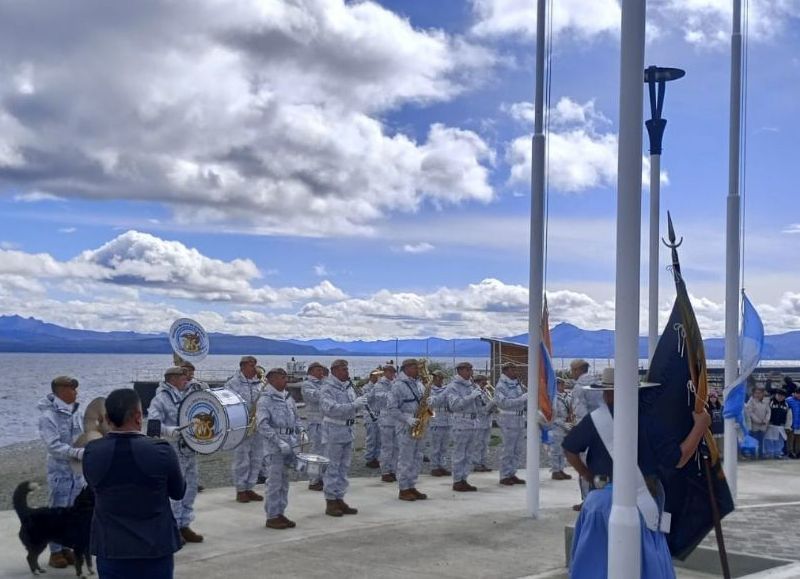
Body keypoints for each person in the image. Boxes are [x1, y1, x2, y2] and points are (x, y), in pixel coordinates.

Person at [563, 368, 707, 579]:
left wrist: (587, 475)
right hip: (641, 501)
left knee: (592, 563)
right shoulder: (650, 421)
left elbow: (569, 449)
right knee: (644, 563)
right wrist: (701, 426)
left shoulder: (595, 419)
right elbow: (680, 459)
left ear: (607, 393)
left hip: (598, 502)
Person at [83, 388, 185, 579]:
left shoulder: (92, 452)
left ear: (106, 418)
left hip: (111, 547)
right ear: (138, 416)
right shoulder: (162, 451)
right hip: (155, 547)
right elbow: (178, 492)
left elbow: (94, 486)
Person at [147, 366, 204, 543]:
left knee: (190, 488)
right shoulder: (160, 399)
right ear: (172, 379)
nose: (186, 379)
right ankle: (172, 528)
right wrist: (169, 431)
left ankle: (184, 525)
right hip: (172, 452)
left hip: (189, 449)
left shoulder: (187, 396)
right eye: (182, 377)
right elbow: (152, 427)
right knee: (174, 493)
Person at [38, 375, 86, 569]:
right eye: (72, 389)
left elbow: (83, 434)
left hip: (76, 471)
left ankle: (66, 546)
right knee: (57, 511)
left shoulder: (75, 412)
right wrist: (75, 452)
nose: (76, 392)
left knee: (72, 512)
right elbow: (53, 446)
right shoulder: (48, 416)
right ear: (61, 391)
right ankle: (55, 552)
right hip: (60, 472)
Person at [320, 359, 368, 516]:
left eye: (347, 369)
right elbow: (331, 409)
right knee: (332, 467)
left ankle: (339, 497)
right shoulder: (327, 388)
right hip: (334, 430)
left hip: (347, 430)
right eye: (343, 369)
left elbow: (351, 408)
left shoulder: (347, 386)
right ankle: (330, 501)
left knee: (344, 467)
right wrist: (354, 405)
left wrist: (358, 405)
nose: (346, 372)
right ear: (334, 371)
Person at [256, 368, 300, 530]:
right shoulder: (266, 399)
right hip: (274, 447)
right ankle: (272, 516)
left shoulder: (287, 397)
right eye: (282, 378)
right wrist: (278, 441)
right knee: (274, 482)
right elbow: (262, 425)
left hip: (290, 442)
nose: (285, 380)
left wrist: (300, 433)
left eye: (285, 377)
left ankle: (280, 512)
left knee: (284, 481)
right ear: (272, 380)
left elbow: (296, 418)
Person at [388, 359, 429, 501]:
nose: (417, 369)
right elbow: (392, 409)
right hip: (405, 426)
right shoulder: (397, 386)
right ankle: (403, 489)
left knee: (417, 457)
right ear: (405, 368)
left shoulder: (418, 384)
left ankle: (412, 485)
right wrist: (407, 419)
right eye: (414, 367)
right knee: (406, 458)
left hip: (419, 423)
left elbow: (425, 402)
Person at [225, 355, 265, 503]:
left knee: (256, 458)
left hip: (257, 425)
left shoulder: (260, 383)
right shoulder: (232, 383)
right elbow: (228, 404)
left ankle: (250, 487)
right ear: (242, 367)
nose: (254, 367)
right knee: (242, 459)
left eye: (255, 364)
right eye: (251, 365)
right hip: (241, 425)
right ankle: (240, 489)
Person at [445, 362, 484, 491]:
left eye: (471, 370)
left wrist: (479, 396)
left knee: (469, 454)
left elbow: (479, 407)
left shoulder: (471, 385)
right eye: (468, 370)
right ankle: (457, 481)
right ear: (460, 371)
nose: (470, 372)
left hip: (472, 423)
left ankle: (464, 479)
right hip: (461, 422)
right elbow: (455, 406)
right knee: (460, 454)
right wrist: (470, 397)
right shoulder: (453, 387)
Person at [568, 359, 600, 509]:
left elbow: (581, 414)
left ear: (578, 370)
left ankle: (587, 501)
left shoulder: (579, 387)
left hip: (589, 431)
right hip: (603, 429)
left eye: (572, 370)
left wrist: (581, 436)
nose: (571, 372)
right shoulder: (598, 383)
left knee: (585, 467)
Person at [494, 362, 528, 486]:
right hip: (508, 418)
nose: (515, 372)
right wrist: (522, 399)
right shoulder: (501, 386)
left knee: (517, 449)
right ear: (506, 371)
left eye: (515, 369)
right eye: (513, 370)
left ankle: (512, 473)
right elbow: (503, 403)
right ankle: (504, 475)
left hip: (519, 418)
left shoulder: (517, 384)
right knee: (508, 449)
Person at [300, 362, 326, 491]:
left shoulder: (324, 383)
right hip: (315, 423)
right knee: (315, 452)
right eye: (318, 370)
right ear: (311, 372)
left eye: (322, 370)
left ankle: (323, 477)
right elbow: (316, 397)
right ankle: (313, 480)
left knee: (326, 451)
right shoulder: (307, 384)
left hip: (326, 422)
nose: (321, 373)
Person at [373, 364, 400, 483]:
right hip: (386, 419)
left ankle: (394, 470)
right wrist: (394, 394)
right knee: (387, 447)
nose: (393, 374)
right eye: (390, 372)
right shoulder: (379, 385)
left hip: (397, 420)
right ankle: (385, 472)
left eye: (394, 372)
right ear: (385, 372)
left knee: (397, 447)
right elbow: (380, 397)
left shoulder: (396, 383)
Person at [428, 370, 452, 477]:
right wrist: (431, 418)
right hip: (436, 420)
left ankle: (442, 466)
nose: (439, 380)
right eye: (438, 378)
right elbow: (432, 403)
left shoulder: (446, 389)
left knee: (444, 447)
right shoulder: (429, 390)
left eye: (441, 378)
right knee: (435, 447)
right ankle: (434, 467)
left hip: (447, 419)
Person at [550, 377, 575, 480]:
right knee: (556, 450)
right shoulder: (553, 397)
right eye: (560, 384)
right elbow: (552, 415)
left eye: (563, 384)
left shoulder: (567, 396)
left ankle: (561, 469)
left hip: (567, 425)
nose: (562, 386)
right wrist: (563, 423)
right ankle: (555, 471)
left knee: (564, 450)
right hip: (557, 426)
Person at [471, 374, 495, 473]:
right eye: (484, 381)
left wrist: (494, 406)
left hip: (487, 421)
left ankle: (483, 463)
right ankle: (477, 464)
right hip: (479, 421)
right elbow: (480, 408)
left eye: (486, 380)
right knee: (478, 444)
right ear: (478, 381)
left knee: (485, 444)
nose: (486, 382)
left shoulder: (486, 391)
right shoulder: (476, 393)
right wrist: (492, 403)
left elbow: (489, 404)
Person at [361, 370, 382, 469]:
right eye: (376, 376)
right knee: (371, 438)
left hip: (379, 414)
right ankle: (369, 458)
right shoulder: (366, 387)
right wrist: (374, 390)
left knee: (379, 439)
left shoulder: (380, 387)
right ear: (371, 377)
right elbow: (366, 400)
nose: (378, 378)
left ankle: (377, 458)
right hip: (370, 415)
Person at [764, 387, 792, 459]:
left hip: (781, 426)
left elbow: (789, 416)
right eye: (779, 395)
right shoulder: (770, 402)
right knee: (769, 439)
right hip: (771, 425)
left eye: (782, 396)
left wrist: (787, 426)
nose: (780, 397)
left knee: (779, 441)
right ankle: (769, 453)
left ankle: (778, 453)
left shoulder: (786, 404)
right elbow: (766, 412)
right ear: (776, 394)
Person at [745, 384, 770, 459]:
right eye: (756, 393)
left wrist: (766, 420)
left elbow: (768, 411)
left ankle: (761, 454)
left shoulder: (766, 401)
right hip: (754, 425)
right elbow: (750, 413)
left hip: (763, 425)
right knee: (754, 441)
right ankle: (753, 455)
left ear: (763, 393)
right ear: (753, 393)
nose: (758, 394)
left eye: (760, 393)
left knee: (761, 440)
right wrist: (758, 421)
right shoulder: (750, 401)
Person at [707, 391, 724, 458]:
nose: (713, 398)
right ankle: (713, 457)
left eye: (714, 397)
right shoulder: (707, 407)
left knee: (721, 446)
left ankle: (721, 457)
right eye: (711, 397)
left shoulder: (721, 407)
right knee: (713, 446)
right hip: (712, 430)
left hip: (720, 430)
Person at [787, 389, 800, 459]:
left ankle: (798, 452)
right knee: (790, 439)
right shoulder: (789, 400)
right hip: (791, 423)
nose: (799, 395)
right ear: (794, 393)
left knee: (798, 439)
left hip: (799, 424)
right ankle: (790, 452)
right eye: (798, 393)